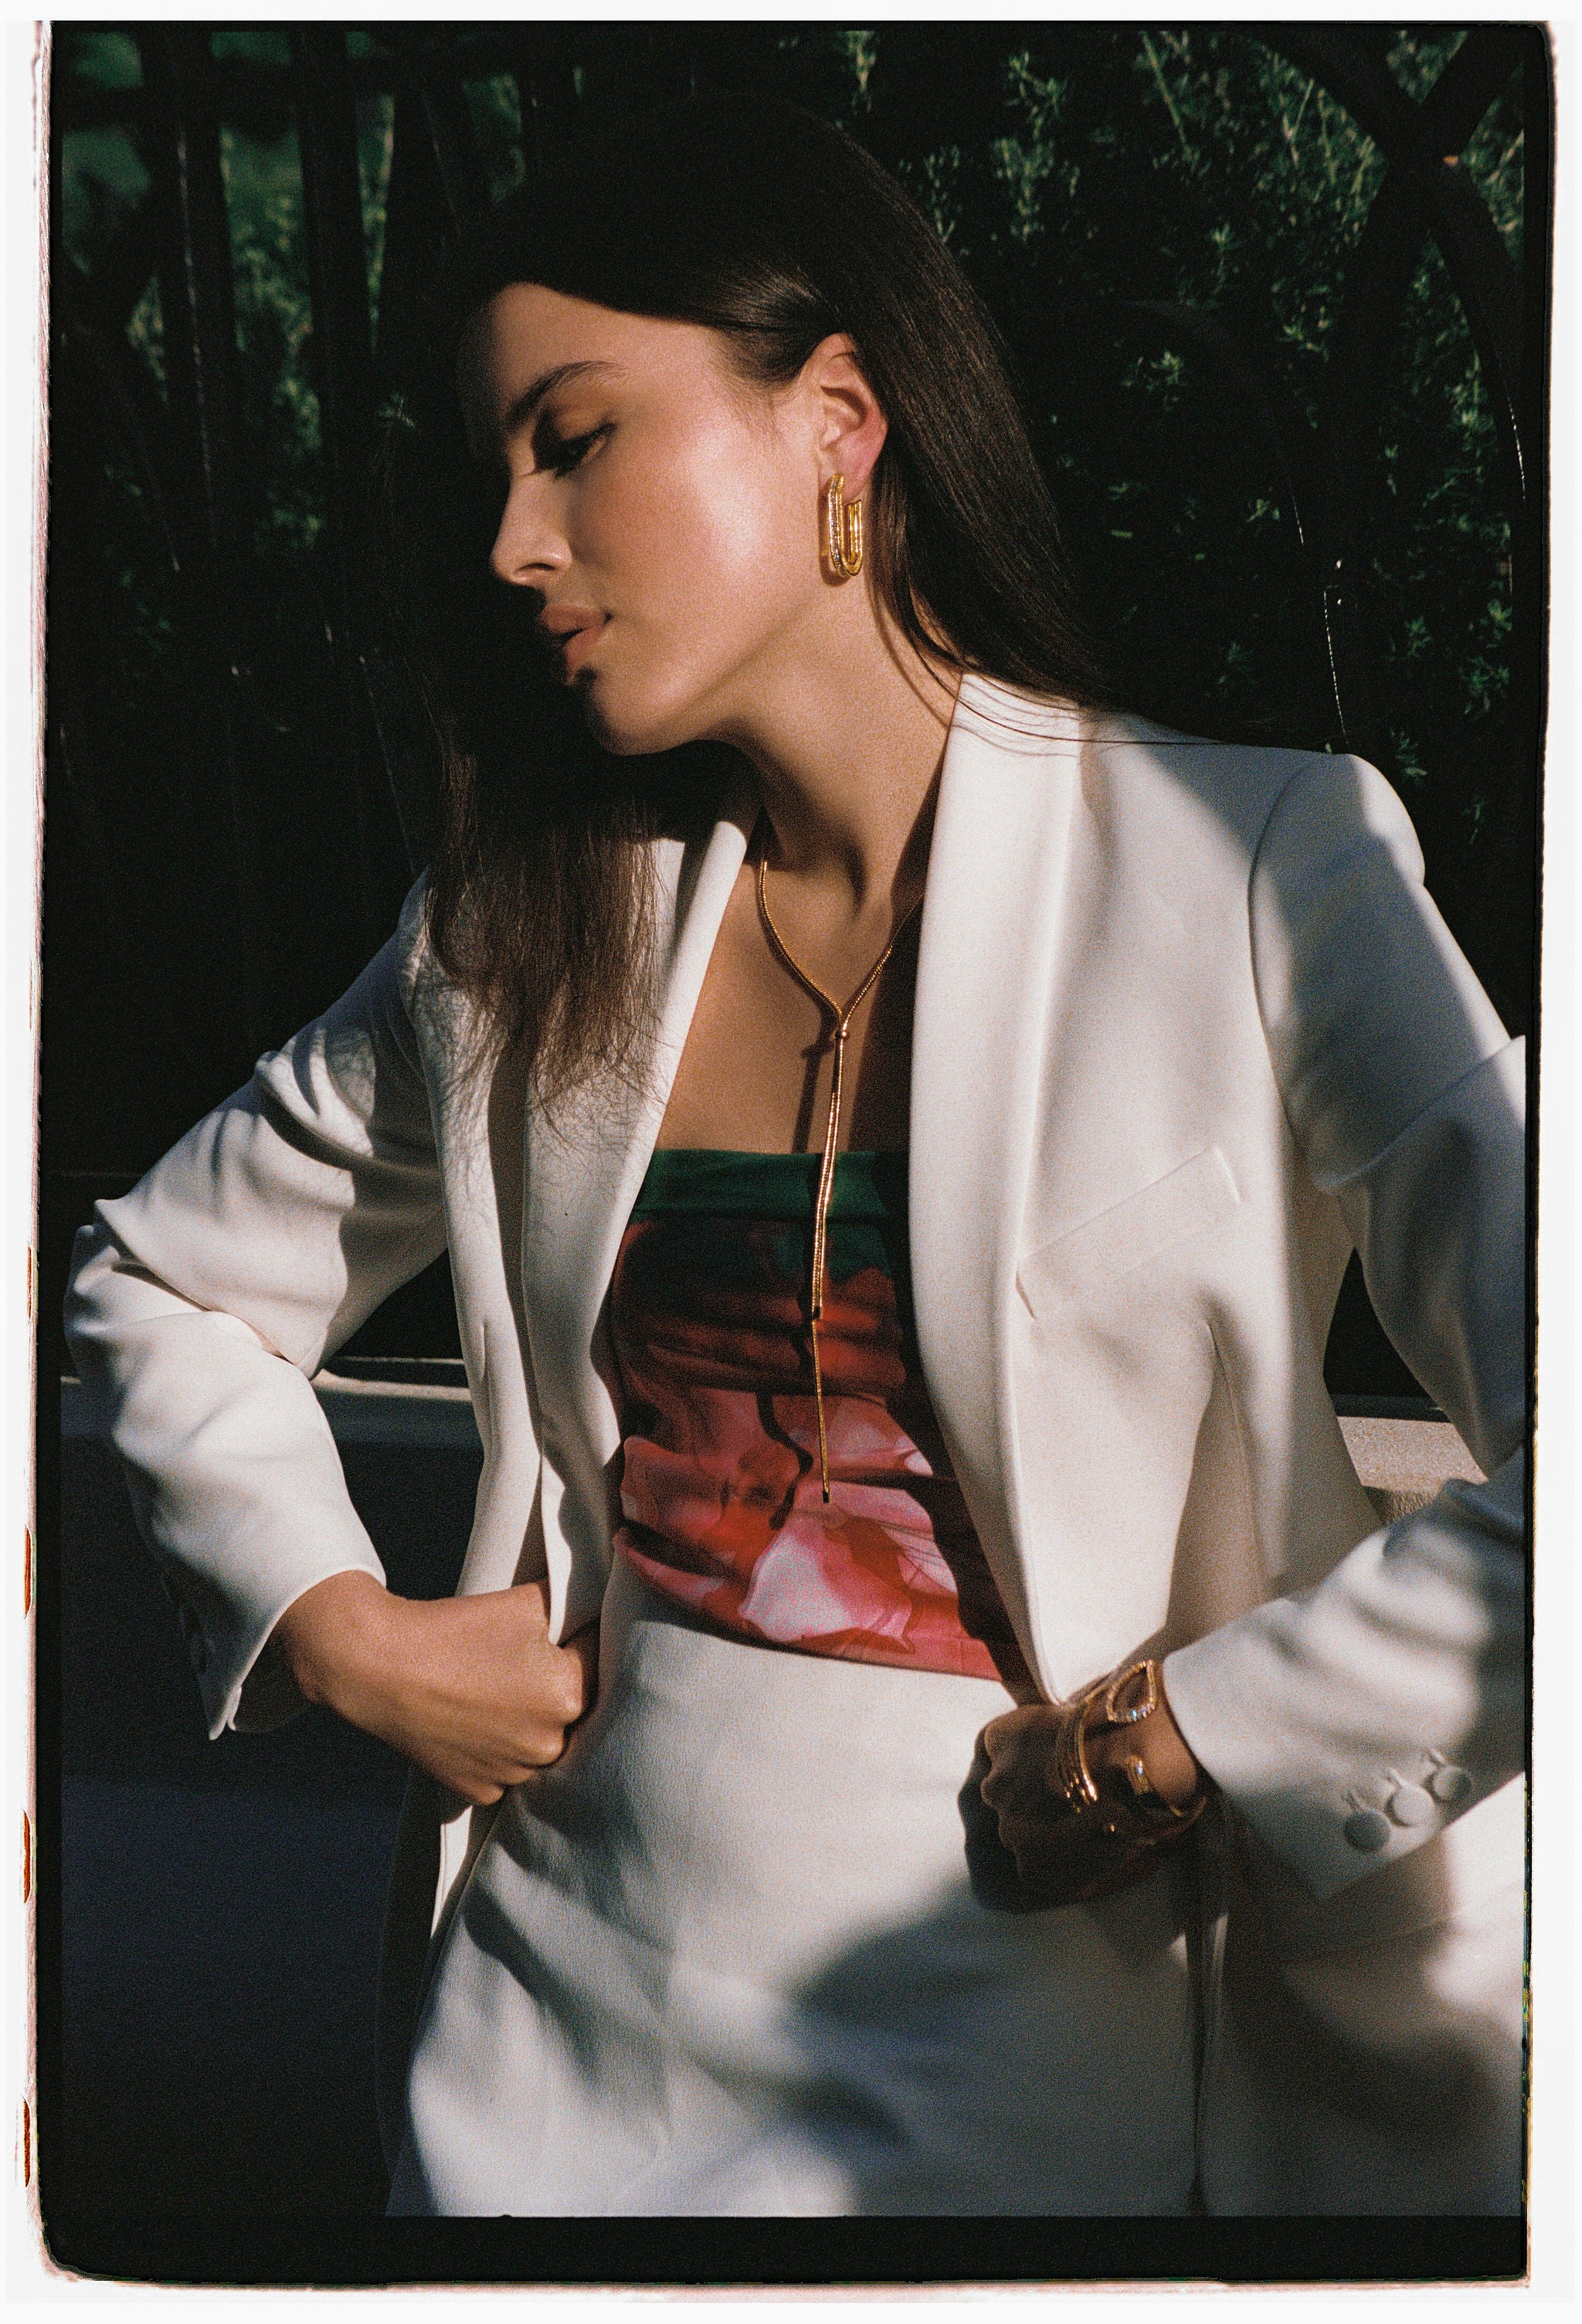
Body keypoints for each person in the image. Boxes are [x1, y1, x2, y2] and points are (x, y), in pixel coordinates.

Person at [65, 96, 1526, 2219]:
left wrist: (1191, 1740)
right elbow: (161, 1277)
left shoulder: (1254, 871)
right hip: (539, 2044)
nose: (515, 543)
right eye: (492, 474)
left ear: (838, 422)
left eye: (576, 440)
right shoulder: (525, 924)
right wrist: (342, 1629)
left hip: (1046, 2037)